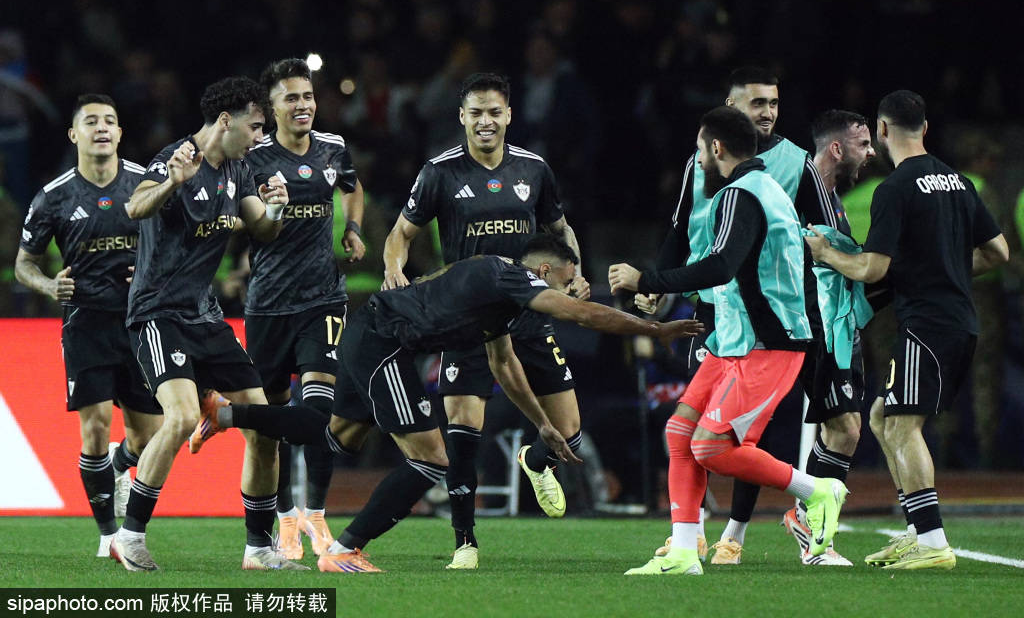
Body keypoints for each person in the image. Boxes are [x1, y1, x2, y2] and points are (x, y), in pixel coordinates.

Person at [191, 234, 704, 573]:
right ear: (545, 269)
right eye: (568, 279)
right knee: (432, 458)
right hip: (383, 344)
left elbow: (505, 367)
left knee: (335, 435)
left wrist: (543, 425)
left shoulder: (495, 301)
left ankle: (224, 413)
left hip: (372, 334)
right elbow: (582, 316)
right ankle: (345, 550)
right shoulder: (510, 276)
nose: (572, 289)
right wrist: (654, 328)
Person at [610, 106, 849, 576]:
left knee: (710, 448)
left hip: (768, 344)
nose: (697, 157)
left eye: (700, 148)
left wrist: (647, 280)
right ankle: (683, 553)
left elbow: (720, 266)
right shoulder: (764, 190)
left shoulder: (742, 195)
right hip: (735, 341)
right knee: (680, 434)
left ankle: (817, 491)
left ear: (715, 148)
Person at [382, 72, 590, 570]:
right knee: (462, 425)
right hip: (466, 316)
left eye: (494, 112)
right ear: (462, 117)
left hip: (527, 311)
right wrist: (393, 269)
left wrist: (576, 275)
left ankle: (535, 461)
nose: (485, 121)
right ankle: (464, 542)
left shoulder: (534, 170)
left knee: (571, 430)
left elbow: (560, 229)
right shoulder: (440, 172)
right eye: (476, 112)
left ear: (509, 115)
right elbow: (400, 233)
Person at [804, 90, 1007, 570]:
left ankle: (933, 542)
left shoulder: (894, 188)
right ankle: (917, 532)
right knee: (880, 418)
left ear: (882, 130)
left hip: (927, 324)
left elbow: (873, 270)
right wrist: (949, 270)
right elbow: (997, 252)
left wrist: (827, 254)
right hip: (960, 320)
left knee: (900, 424)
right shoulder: (958, 181)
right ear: (925, 128)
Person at [111, 76, 304, 573]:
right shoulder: (178, 158)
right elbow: (135, 206)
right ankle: (129, 536)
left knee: (264, 427)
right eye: (256, 126)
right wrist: (173, 182)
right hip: (158, 314)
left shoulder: (239, 168)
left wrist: (278, 204)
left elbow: (262, 227)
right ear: (226, 120)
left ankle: (259, 550)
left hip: (206, 317)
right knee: (177, 417)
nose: (261, 136)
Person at [15, 94, 162, 557]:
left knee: (151, 438)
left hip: (140, 324)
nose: (102, 128)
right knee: (94, 428)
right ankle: (108, 535)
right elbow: (24, 264)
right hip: (85, 324)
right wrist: (46, 286)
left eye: (110, 121)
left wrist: (151, 273)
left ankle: (119, 466)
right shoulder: (54, 196)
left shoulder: (146, 184)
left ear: (120, 134)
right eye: (92, 122)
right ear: (74, 135)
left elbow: (179, 243)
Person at [243, 58, 366, 561]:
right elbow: (259, 231)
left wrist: (352, 229)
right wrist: (273, 208)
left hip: (324, 300)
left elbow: (353, 188)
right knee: (269, 427)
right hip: (268, 306)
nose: (302, 105)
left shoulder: (333, 148)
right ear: (271, 107)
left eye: (307, 96)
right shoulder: (252, 159)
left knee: (318, 410)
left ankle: (314, 515)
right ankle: (284, 517)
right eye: (291, 97)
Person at [780, 109, 879, 565]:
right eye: (863, 143)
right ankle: (802, 519)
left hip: (831, 328)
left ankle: (806, 520)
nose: (872, 151)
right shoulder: (798, 192)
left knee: (840, 427)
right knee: (846, 427)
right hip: (806, 326)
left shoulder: (833, 199)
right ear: (836, 148)